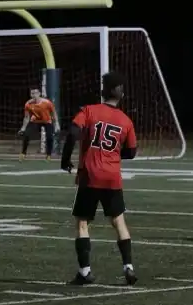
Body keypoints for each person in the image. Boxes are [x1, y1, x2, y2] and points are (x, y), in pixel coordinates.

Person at [61, 71, 138, 286]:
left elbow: (73, 132)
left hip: (90, 175)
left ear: (104, 91)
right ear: (121, 93)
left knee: (83, 223)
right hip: (112, 177)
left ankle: (85, 271)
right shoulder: (126, 120)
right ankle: (128, 267)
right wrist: (113, 154)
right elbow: (131, 152)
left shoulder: (89, 110)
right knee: (118, 222)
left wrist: (65, 159)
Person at [18, 88, 59, 161]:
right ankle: (23, 154)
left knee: (49, 137)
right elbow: (27, 117)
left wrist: (57, 124)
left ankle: (48, 155)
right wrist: (23, 128)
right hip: (35, 121)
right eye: (32, 93)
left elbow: (54, 113)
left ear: (39, 94)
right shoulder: (28, 104)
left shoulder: (47, 103)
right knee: (26, 135)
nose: (33, 95)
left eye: (35, 93)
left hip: (47, 121)